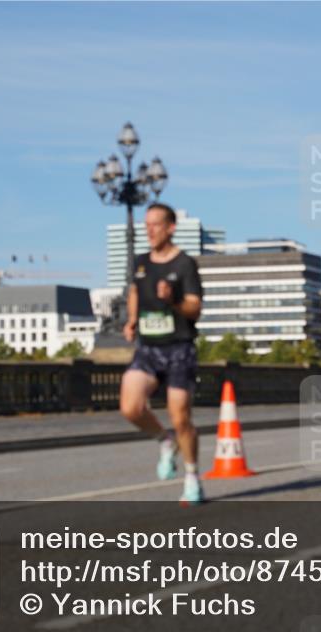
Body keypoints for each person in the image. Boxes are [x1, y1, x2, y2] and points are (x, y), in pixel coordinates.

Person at [120, 203, 205, 506]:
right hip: (148, 349)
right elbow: (134, 291)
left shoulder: (185, 264)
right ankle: (165, 441)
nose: (150, 230)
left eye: (156, 224)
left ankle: (192, 478)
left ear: (171, 228)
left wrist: (172, 301)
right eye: (147, 225)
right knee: (130, 407)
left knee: (180, 417)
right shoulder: (141, 263)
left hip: (179, 348)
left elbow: (195, 309)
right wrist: (132, 320)